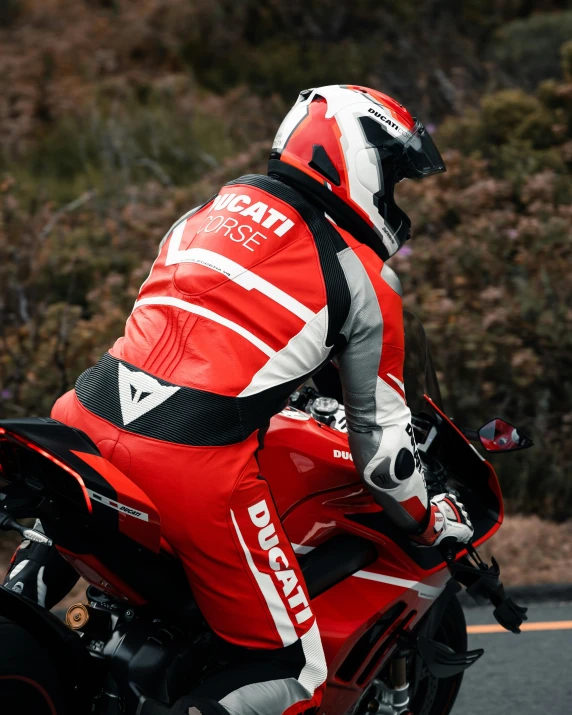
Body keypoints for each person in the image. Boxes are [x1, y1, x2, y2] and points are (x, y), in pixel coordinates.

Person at [4, 85, 473, 715]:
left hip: (83, 417)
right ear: (352, 157)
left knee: (56, 542)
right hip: (191, 469)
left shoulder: (204, 213)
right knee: (292, 670)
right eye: (392, 176)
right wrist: (431, 519)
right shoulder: (363, 276)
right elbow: (383, 459)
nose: (393, 198)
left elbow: (204, 339)